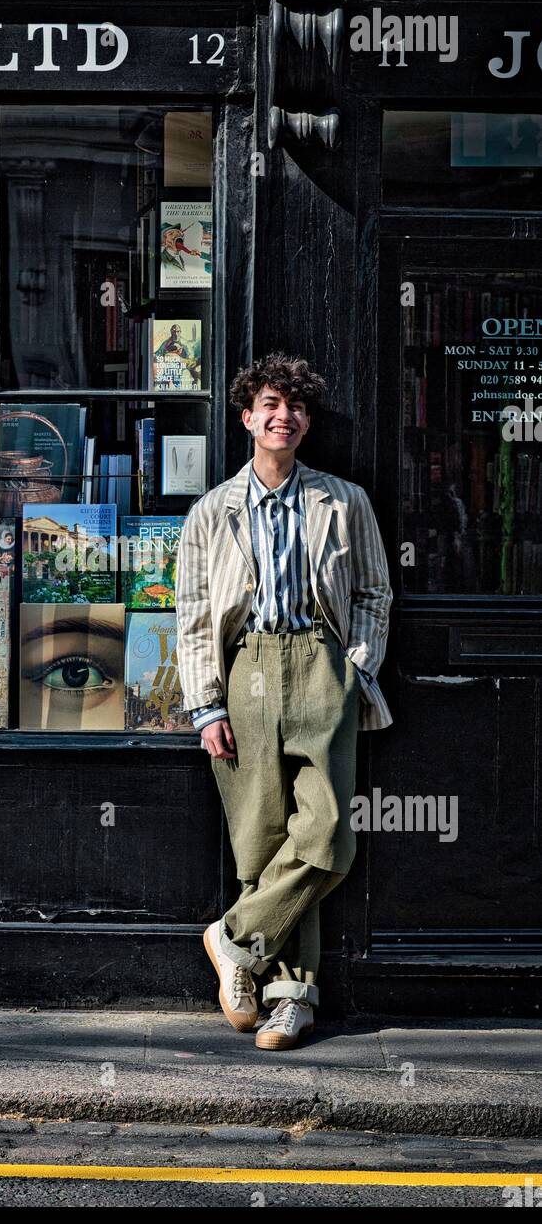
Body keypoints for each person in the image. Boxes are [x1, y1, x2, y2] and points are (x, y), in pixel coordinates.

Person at [175, 352, 393, 1049]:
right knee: (260, 840)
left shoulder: (343, 499)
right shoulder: (214, 511)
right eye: (270, 403)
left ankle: (235, 941)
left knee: (326, 836)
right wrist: (206, 706)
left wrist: (355, 667)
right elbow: (193, 611)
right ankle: (290, 998)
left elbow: (373, 594)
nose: (284, 415)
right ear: (247, 417)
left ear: (306, 421)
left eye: (296, 405)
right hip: (248, 670)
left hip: (321, 665)